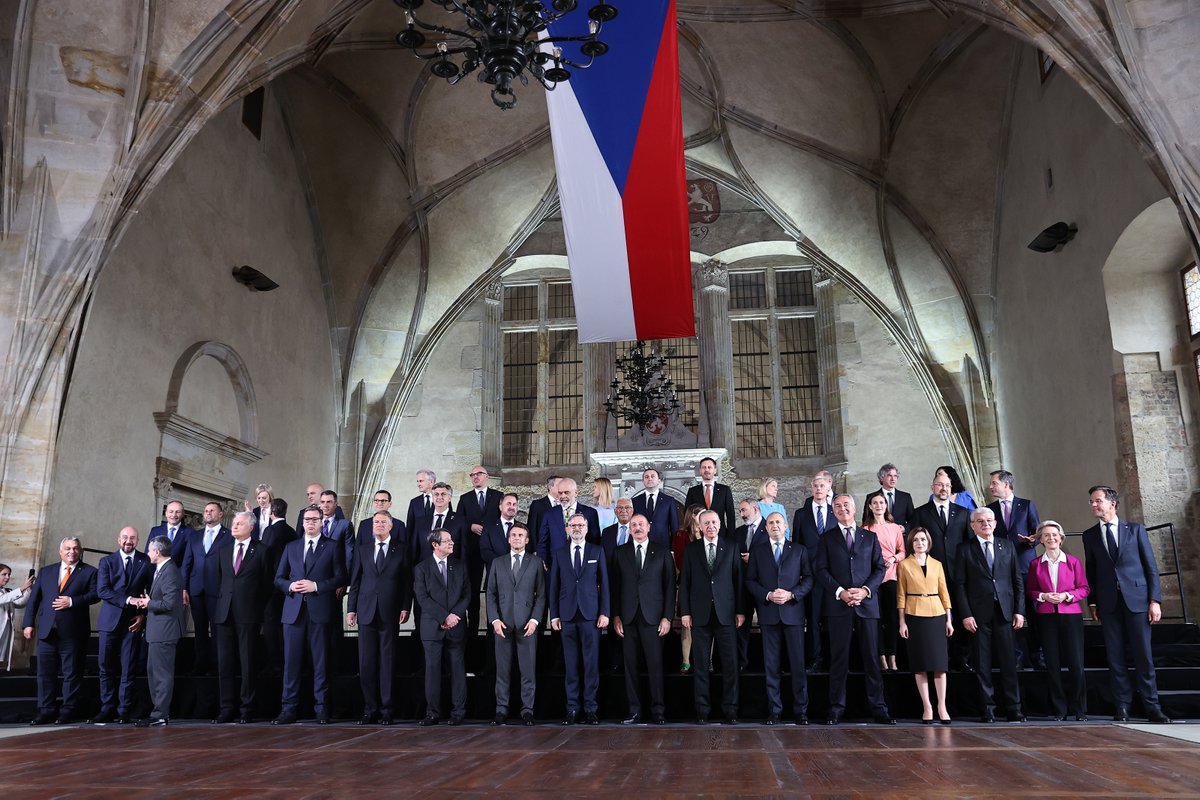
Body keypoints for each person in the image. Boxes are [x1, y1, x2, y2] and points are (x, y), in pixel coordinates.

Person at [1083, 485, 1172, 723]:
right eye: (1091, 502)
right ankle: (1122, 705)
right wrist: (1092, 603)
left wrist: (1155, 600)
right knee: (1115, 656)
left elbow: (1150, 567)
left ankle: (1152, 706)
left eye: (1097, 501)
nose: (1093, 505)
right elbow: (1090, 571)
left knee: (1143, 655)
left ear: (1112, 503)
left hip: (1138, 601)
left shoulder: (1135, 529)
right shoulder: (1089, 535)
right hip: (1108, 604)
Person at [815, 495, 894, 725]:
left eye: (846, 505)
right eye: (837, 506)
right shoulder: (826, 539)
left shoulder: (869, 537)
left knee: (871, 658)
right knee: (839, 660)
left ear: (854, 507)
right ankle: (836, 708)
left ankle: (879, 708)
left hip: (867, 606)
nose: (842, 509)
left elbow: (880, 567)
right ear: (833, 511)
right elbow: (820, 569)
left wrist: (865, 591)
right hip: (839, 606)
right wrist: (841, 592)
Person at [273, 505, 346, 725]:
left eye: (315, 519)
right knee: (291, 664)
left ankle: (321, 709)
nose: (311, 523)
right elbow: (278, 578)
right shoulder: (291, 547)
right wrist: (291, 586)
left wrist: (316, 585)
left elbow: (341, 577)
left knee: (320, 663)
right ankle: (288, 709)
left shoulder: (332, 546)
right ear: (302, 522)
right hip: (293, 612)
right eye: (307, 519)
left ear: (322, 522)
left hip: (320, 611)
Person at [954, 507, 1026, 723]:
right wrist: (966, 614)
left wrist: (1019, 611)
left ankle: (1014, 708)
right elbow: (960, 585)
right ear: (972, 525)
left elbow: (1017, 582)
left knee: (1009, 662)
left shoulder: (1007, 546)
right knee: (982, 664)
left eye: (989, 520)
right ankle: (988, 709)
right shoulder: (964, 549)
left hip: (1005, 612)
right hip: (978, 614)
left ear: (995, 523)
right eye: (980, 521)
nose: (985, 524)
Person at [745, 511, 813, 725]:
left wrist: (792, 594)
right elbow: (750, 581)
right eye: (770, 523)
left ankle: (801, 710)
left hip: (793, 614)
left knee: (798, 665)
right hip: (769, 614)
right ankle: (775, 710)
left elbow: (809, 578)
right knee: (771, 665)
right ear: (765, 528)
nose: (774, 525)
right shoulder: (758, 551)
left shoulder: (799, 550)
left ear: (785, 527)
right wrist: (767, 595)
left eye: (778, 522)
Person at [23, 537, 99, 725]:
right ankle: (46, 710)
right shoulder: (46, 571)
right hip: (47, 632)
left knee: (72, 673)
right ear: (60, 551)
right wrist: (28, 624)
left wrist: (72, 601)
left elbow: (96, 594)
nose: (71, 552)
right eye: (67, 548)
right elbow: (34, 599)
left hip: (73, 633)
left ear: (80, 551)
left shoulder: (90, 572)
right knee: (45, 673)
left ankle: (67, 710)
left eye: (75, 548)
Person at [680, 509, 744, 724]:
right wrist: (685, 612)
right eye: (706, 523)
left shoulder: (732, 547)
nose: (710, 526)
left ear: (720, 524)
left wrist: (740, 611)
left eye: (714, 522)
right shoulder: (691, 550)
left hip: (726, 615)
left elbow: (738, 582)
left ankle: (731, 710)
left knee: (730, 665)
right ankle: (702, 711)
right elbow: (685, 583)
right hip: (700, 615)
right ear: (699, 526)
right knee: (700, 665)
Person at [347, 510, 411, 725]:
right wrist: (351, 609)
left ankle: (386, 709)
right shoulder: (363, 549)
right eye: (376, 522)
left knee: (387, 662)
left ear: (391, 526)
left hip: (390, 611)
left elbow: (406, 582)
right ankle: (370, 709)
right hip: (365, 612)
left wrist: (405, 607)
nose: (379, 525)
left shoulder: (401, 550)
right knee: (366, 663)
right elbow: (355, 581)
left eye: (383, 522)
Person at [611, 513, 674, 725]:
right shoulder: (620, 553)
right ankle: (634, 711)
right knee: (630, 667)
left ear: (649, 527)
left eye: (641, 524)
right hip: (628, 619)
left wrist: (667, 617)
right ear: (629, 529)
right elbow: (615, 587)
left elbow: (669, 588)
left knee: (655, 666)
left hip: (654, 619)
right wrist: (616, 616)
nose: (637, 528)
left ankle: (659, 711)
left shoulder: (663, 552)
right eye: (634, 525)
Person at [550, 513, 610, 724]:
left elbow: (605, 584)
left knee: (591, 664)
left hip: (591, 616)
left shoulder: (597, 550)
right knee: (571, 666)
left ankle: (591, 708)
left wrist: (605, 612)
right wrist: (554, 614)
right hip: (566, 616)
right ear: (567, 529)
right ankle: (572, 709)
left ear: (586, 528)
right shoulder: (558, 553)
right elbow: (553, 587)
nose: (576, 528)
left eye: (580, 525)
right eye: (573, 525)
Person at [1027, 520, 1089, 721]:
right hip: (1046, 617)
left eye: (1054, 534)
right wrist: (1043, 597)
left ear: (1061, 539)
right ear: (1040, 540)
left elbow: (1084, 588)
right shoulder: (1035, 564)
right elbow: (1030, 590)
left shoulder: (1073, 561)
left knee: (1076, 664)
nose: (1051, 538)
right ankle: (1059, 710)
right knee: (1052, 664)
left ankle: (1079, 710)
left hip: (1070, 615)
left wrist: (1067, 596)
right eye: (1046, 535)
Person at [213, 511, 272, 724]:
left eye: (239, 523)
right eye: (234, 523)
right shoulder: (224, 550)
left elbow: (267, 585)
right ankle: (226, 708)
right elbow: (220, 580)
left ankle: (247, 709)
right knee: (225, 663)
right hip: (224, 613)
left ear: (251, 527)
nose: (234, 527)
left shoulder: (263, 551)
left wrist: (256, 607)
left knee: (247, 663)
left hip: (249, 614)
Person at [485, 522, 544, 726]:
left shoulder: (536, 562)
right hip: (502, 625)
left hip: (527, 625)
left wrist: (535, 620)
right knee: (502, 672)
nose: (517, 538)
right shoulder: (497, 562)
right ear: (508, 539)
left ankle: (527, 710)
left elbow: (541, 596)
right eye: (513, 535)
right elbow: (490, 594)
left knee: (528, 672)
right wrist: (494, 619)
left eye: (521, 535)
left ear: (527, 540)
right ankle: (501, 710)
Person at [94, 526, 151, 724]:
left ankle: (124, 710)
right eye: (125, 537)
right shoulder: (106, 562)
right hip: (109, 622)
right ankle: (107, 707)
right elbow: (102, 590)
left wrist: (143, 615)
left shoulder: (146, 561)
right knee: (105, 666)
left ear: (138, 540)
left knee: (128, 667)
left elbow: (150, 592)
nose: (128, 541)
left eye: (133, 538)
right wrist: (128, 600)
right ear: (119, 540)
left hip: (132, 623)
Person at [896, 527, 953, 724]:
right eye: (916, 540)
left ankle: (942, 705)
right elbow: (901, 594)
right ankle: (927, 706)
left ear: (928, 542)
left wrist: (949, 619)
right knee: (920, 664)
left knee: (939, 665)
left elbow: (944, 591)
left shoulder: (937, 564)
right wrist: (902, 621)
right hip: (914, 614)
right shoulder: (904, 565)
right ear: (911, 543)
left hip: (937, 613)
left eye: (923, 540)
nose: (920, 543)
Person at [413, 528, 470, 725]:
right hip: (432, 627)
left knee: (457, 670)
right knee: (432, 671)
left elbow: (466, 595)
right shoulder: (421, 568)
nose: (451, 543)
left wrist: (454, 616)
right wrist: (444, 616)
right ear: (435, 545)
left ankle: (458, 713)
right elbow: (422, 598)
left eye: (451, 540)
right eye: (447, 541)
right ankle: (432, 713)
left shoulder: (460, 566)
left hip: (457, 625)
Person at [987, 469, 1043, 669]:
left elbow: (1038, 534)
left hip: (1026, 565)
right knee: (1009, 615)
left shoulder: (1026, 505)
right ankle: (1016, 659)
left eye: (994, 482)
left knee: (1033, 613)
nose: (991, 486)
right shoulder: (989, 509)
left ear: (1006, 483)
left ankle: (1039, 657)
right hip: (1002, 570)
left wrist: (1031, 541)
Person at [133, 535, 184, 726]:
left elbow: (170, 603)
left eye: (149, 549)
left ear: (157, 552)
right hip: (158, 630)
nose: (147, 553)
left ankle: (160, 714)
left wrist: (148, 603)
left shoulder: (170, 571)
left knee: (161, 674)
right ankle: (158, 712)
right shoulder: (162, 569)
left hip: (165, 630)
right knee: (154, 672)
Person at [792, 471, 837, 671]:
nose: (819, 490)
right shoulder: (801, 514)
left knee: (833, 618)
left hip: (833, 575)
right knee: (812, 618)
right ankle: (815, 658)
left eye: (822, 486)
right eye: (815, 486)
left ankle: (834, 658)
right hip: (810, 575)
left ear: (829, 488)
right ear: (812, 489)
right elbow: (796, 545)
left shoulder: (836, 511)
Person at [181, 500, 231, 675]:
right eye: (206, 510)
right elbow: (187, 562)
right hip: (196, 590)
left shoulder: (229, 535)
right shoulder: (194, 535)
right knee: (199, 630)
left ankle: (218, 666)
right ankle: (201, 664)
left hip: (217, 591)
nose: (208, 513)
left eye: (212, 510)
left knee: (217, 630)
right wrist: (184, 588)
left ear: (220, 514)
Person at [862, 494, 905, 672]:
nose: (878, 505)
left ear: (886, 505)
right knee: (876, 619)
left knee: (892, 619)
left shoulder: (895, 528)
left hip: (892, 575)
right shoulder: (866, 528)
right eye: (875, 503)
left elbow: (903, 551)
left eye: (881, 502)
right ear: (870, 507)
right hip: (873, 577)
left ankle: (893, 657)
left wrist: (894, 558)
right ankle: (881, 658)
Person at [459, 465, 502, 638]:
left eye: (479, 474)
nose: (475, 477)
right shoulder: (465, 498)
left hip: (493, 550)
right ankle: (473, 631)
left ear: (487, 477)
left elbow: (503, 521)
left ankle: (495, 629)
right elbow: (459, 522)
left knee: (496, 589)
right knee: (473, 590)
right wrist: (470, 525)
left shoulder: (498, 496)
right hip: (472, 551)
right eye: (472, 475)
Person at [259, 497, 296, 672]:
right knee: (286, 624)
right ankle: (288, 660)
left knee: (271, 625)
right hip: (288, 585)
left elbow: (264, 558)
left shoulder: (269, 531)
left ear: (271, 512)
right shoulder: (292, 532)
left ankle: (275, 662)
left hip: (271, 585)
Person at [538, 477, 601, 569]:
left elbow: (595, 540)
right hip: (556, 566)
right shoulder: (549, 514)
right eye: (560, 493)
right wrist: (542, 561)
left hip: (583, 566)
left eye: (566, 492)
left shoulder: (590, 513)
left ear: (576, 492)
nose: (563, 496)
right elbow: (543, 542)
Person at [671, 504, 705, 673]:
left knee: (707, 624)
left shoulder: (708, 532)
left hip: (706, 585)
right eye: (702, 514)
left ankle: (709, 660)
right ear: (693, 516)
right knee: (687, 623)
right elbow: (679, 560)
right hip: (688, 583)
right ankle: (686, 660)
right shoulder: (681, 535)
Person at [735, 498, 767, 671]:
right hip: (743, 587)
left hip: (764, 586)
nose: (741, 514)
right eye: (740, 511)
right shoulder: (738, 532)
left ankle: (768, 663)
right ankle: (742, 663)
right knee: (741, 627)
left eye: (744, 510)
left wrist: (752, 558)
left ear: (755, 508)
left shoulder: (770, 528)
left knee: (768, 627)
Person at [685, 457, 736, 537]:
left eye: (709, 467)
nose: (706, 470)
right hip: (699, 535)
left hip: (721, 534)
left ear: (715, 470)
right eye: (704, 467)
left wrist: (730, 536)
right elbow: (687, 514)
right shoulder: (692, 491)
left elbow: (730, 515)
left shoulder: (725, 490)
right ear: (700, 471)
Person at [633, 468, 678, 546]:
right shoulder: (635, 501)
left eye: (652, 476)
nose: (649, 478)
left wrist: (673, 548)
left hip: (663, 545)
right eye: (646, 477)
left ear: (659, 480)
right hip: (641, 543)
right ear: (643, 481)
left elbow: (674, 527)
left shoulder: (669, 500)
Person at [0, 564, 33, 670]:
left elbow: (19, 603)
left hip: (5, 630)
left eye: (9, 574)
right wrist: (22, 587)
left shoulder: (6, 591)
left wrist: (28, 590)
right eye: (4, 574)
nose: (7, 577)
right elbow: (3, 599)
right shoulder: (7, 594)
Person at [866, 463, 915, 528]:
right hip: (878, 535)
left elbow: (913, 520)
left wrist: (904, 529)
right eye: (889, 475)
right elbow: (866, 520)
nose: (893, 479)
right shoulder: (871, 497)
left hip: (900, 536)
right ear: (881, 478)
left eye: (895, 476)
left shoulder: (906, 497)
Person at [149, 499, 193, 569]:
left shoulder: (190, 533)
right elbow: (148, 554)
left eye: (177, 512)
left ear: (182, 514)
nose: (174, 515)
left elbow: (188, 559)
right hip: (155, 573)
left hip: (176, 575)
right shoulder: (155, 531)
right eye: (171, 511)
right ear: (166, 513)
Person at [525, 475, 561, 551]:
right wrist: (534, 550)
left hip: (561, 550)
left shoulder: (566, 505)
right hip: (543, 549)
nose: (562, 488)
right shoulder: (538, 505)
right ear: (550, 487)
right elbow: (532, 529)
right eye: (559, 485)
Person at [405, 469, 437, 535]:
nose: (418, 484)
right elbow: (409, 527)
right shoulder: (414, 502)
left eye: (421, 481)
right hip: (418, 543)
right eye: (417, 481)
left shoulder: (443, 500)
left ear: (431, 481)